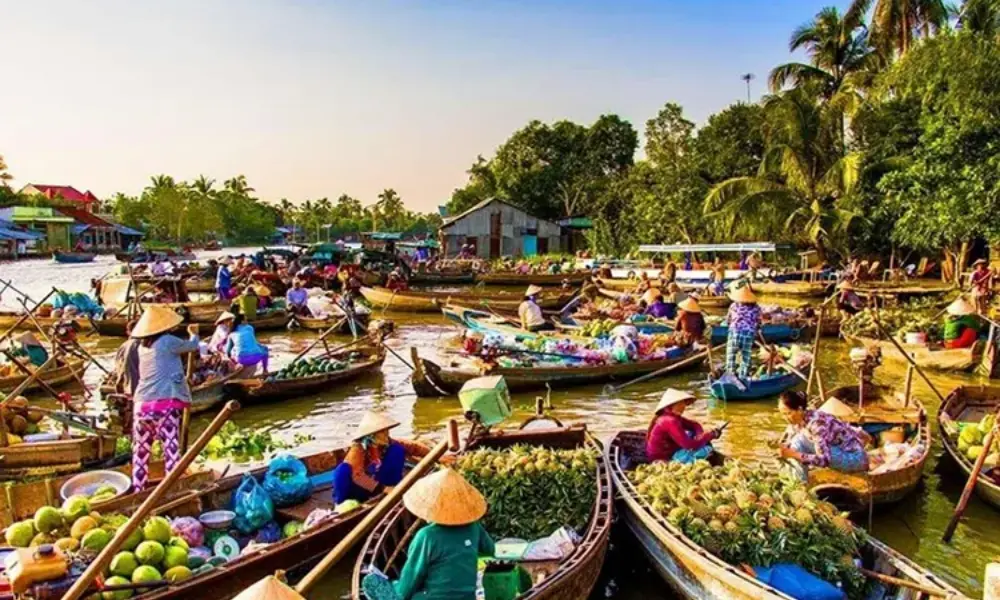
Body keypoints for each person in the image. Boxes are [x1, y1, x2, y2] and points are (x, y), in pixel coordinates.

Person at [361, 469, 494, 600]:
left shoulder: (427, 536)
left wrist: (396, 591)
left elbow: (411, 580)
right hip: (467, 597)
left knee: (372, 582)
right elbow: (490, 549)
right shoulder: (474, 527)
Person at [131, 307, 200, 489]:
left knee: (141, 451)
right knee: (171, 449)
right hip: (164, 405)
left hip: (141, 406)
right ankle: (172, 486)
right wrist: (193, 333)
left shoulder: (142, 347)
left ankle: (138, 487)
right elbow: (192, 346)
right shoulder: (168, 341)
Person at [332, 412, 429, 506]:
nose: (387, 434)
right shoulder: (358, 448)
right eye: (382, 432)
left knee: (397, 449)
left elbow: (412, 447)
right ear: (372, 435)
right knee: (343, 469)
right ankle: (341, 503)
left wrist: (434, 454)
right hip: (359, 488)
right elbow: (358, 476)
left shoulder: (387, 442)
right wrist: (383, 488)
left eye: (387, 430)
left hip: (377, 482)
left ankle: (391, 487)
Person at [778, 390, 870, 473]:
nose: (786, 418)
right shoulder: (800, 421)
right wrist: (788, 448)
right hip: (838, 451)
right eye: (783, 414)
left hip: (856, 459)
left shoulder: (817, 424)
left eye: (788, 413)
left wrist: (793, 454)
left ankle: (802, 483)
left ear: (800, 409)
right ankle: (800, 481)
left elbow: (824, 459)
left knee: (798, 444)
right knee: (796, 442)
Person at [646, 389, 721, 463]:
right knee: (707, 450)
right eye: (679, 404)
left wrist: (700, 435)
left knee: (693, 435)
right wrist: (708, 436)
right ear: (670, 406)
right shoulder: (669, 420)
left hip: (671, 450)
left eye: (683, 403)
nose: (683, 407)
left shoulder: (673, 416)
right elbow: (690, 445)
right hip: (663, 458)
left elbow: (694, 425)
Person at [725, 285, 761, 379]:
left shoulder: (733, 305)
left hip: (734, 332)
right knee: (746, 356)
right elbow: (758, 322)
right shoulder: (756, 308)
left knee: (731, 355)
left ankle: (730, 374)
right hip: (748, 334)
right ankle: (743, 376)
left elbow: (728, 320)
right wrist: (756, 330)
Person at [111, 320, 141, 395]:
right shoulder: (147, 345)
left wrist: (118, 383)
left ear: (128, 332)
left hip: (130, 387)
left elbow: (119, 367)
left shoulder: (124, 346)